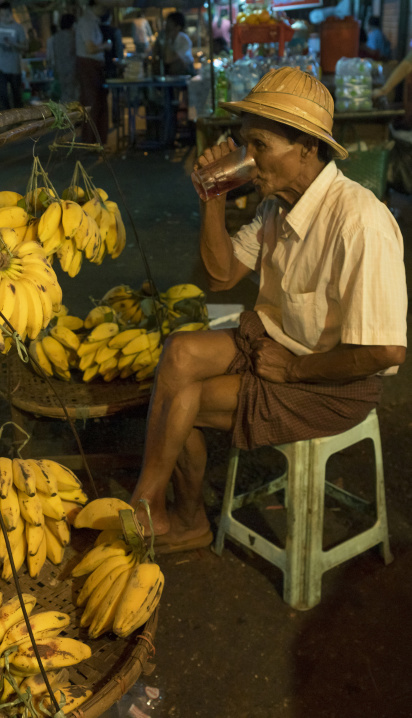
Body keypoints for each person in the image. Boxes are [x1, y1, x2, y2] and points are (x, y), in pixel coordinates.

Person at [130, 66, 407, 554]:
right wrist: (212, 198)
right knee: (178, 355)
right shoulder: (276, 208)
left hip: (332, 383)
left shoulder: (360, 221)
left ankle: (170, 510)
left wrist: (297, 368)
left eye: (259, 145)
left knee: (186, 400)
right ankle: (155, 499)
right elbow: (219, 277)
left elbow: (385, 351)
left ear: (305, 146)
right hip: (274, 345)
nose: (248, 159)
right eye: (245, 144)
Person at [75, 0, 112, 144]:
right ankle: (91, 142)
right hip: (89, 65)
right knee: (93, 104)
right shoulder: (87, 22)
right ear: (95, 5)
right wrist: (106, 46)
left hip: (94, 65)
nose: (104, 9)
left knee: (99, 103)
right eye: (103, 6)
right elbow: (90, 48)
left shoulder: (93, 22)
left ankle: (97, 141)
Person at [0, 2, 28, 110]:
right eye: (1, 15)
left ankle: (20, 122)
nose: (3, 18)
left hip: (15, 68)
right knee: (2, 96)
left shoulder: (18, 28)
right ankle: (7, 122)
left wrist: (13, 44)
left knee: (17, 96)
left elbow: (25, 47)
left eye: (6, 15)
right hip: (0, 68)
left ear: (10, 14)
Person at [49, 13, 78, 103]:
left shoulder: (56, 36)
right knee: (72, 93)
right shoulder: (72, 36)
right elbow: (73, 51)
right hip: (72, 68)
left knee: (64, 92)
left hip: (60, 68)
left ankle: (64, 112)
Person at [163, 11, 194, 76]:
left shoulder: (184, 39)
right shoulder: (170, 39)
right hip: (175, 72)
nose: (167, 26)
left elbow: (168, 59)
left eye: (170, 23)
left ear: (178, 27)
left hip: (186, 72)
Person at [100, 9, 123, 80]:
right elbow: (119, 49)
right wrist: (120, 62)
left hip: (98, 63)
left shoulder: (96, 30)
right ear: (110, 18)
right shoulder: (115, 31)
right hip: (112, 63)